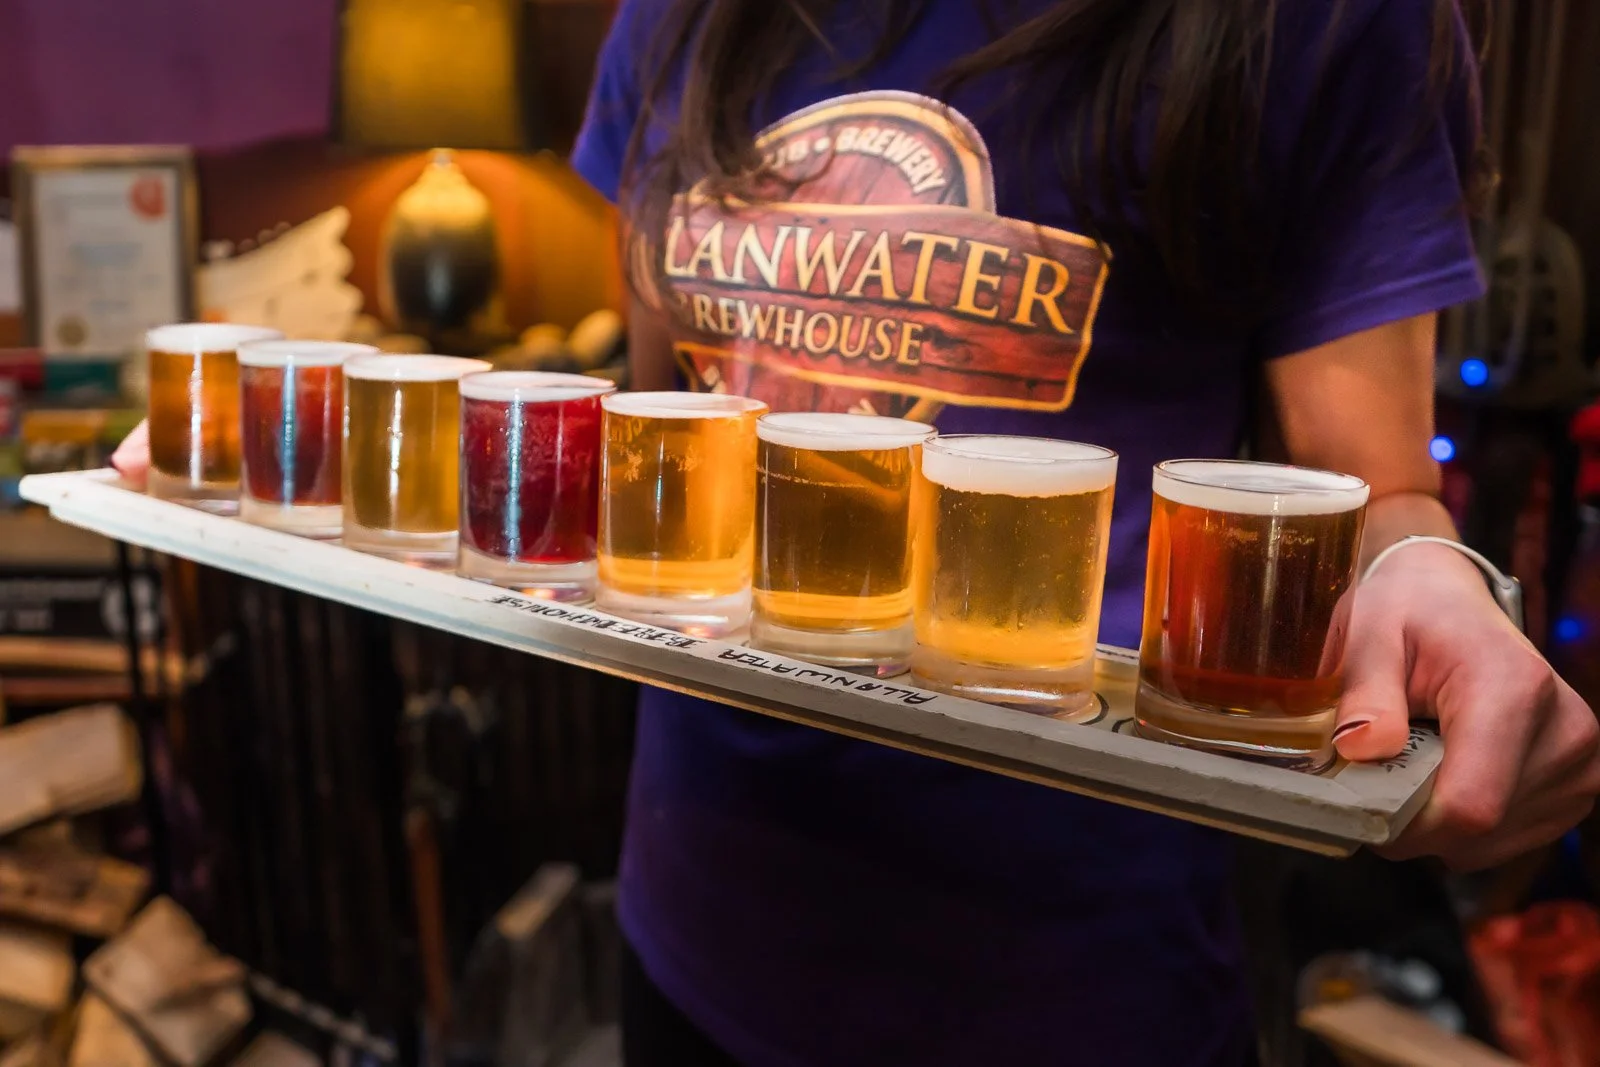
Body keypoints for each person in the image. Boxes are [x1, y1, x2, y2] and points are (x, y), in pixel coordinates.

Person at [112, 1, 1600, 1063]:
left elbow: (1381, 488)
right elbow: (662, 413)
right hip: (694, 910)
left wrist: (1439, 574)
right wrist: (266, 444)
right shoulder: (685, 15)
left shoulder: (1323, 24)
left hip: (1070, 973)